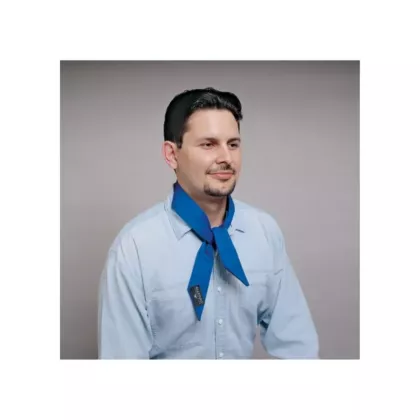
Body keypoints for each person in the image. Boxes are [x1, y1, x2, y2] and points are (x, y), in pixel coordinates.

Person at [98, 87, 319, 359]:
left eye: (233, 144)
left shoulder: (265, 233)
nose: (226, 157)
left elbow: (298, 348)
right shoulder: (134, 248)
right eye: (208, 144)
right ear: (172, 154)